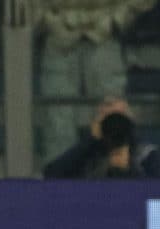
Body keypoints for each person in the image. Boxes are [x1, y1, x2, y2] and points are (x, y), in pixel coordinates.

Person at [37, 0, 156, 160]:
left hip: (104, 36)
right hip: (58, 38)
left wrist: (117, 19)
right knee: (57, 119)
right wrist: (47, 20)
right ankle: (59, 181)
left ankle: (113, 178)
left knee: (112, 116)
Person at [43, 96, 160, 178]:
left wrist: (129, 171)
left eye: (119, 119)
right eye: (109, 120)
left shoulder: (146, 154)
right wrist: (89, 141)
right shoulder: (87, 153)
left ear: (131, 122)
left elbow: (154, 197)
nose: (115, 126)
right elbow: (51, 175)